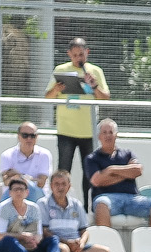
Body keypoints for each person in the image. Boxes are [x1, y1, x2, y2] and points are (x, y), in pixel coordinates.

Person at [43, 37, 110, 203]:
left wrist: (94, 86)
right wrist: (57, 88)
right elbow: (48, 97)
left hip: (89, 132)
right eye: (75, 55)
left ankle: (88, 207)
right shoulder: (61, 69)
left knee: (89, 172)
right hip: (66, 131)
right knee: (64, 171)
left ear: (87, 52)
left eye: (81, 54)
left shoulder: (95, 71)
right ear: (69, 54)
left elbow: (106, 98)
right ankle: (60, 204)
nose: (79, 58)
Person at [86, 121, 151, 229]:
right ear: (99, 136)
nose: (108, 135)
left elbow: (138, 170)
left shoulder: (127, 154)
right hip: (107, 198)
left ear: (116, 135)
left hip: (132, 198)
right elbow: (97, 180)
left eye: (111, 132)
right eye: (104, 132)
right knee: (101, 204)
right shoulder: (92, 158)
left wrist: (111, 170)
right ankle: (106, 244)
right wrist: (127, 173)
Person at [40, 170, 111, 252]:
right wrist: (67, 242)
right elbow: (45, 231)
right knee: (64, 250)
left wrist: (81, 243)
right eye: (57, 184)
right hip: (57, 245)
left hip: (76, 246)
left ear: (69, 186)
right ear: (51, 186)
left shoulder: (77, 204)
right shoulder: (43, 204)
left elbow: (84, 230)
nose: (60, 187)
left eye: (64, 184)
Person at [0, 175, 60, 252]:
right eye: (15, 189)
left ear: (27, 192)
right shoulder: (4, 207)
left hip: (26, 244)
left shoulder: (34, 208)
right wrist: (22, 237)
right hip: (2, 245)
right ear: (9, 193)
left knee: (53, 239)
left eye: (21, 189)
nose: (18, 192)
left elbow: (39, 234)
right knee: (9, 241)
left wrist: (34, 241)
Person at [0, 122, 53, 197]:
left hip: (37, 199)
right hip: (13, 198)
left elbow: (41, 183)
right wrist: (32, 179)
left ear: (37, 137)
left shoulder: (45, 155)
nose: (29, 139)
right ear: (18, 136)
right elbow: (7, 182)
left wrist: (19, 176)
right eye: (25, 135)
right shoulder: (7, 155)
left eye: (32, 136)